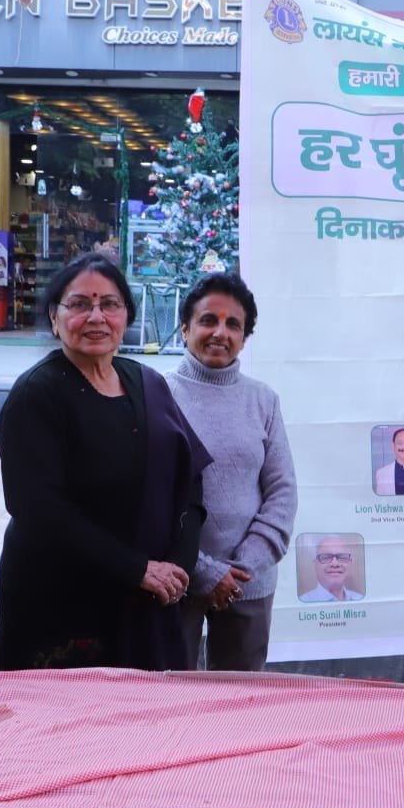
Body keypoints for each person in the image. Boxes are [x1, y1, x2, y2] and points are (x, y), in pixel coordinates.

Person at [0, 253, 211, 671]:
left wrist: (177, 568)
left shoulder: (147, 382)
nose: (96, 316)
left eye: (109, 304)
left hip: (150, 597)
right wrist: (136, 569)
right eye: (79, 304)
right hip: (65, 605)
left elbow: (191, 479)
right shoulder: (36, 396)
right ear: (55, 319)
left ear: (126, 315)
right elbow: (38, 511)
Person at [169, 272, 298, 672]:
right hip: (177, 581)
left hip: (248, 584)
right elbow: (149, 498)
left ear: (245, 336)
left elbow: (282, 491)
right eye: (208, 320)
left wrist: (242, 569)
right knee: (170, 702)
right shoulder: (157, 394)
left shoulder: (263, 400)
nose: (220, 333)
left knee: (240, 708)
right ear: (186, 327)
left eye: (233, 324)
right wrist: (204, 570)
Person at [300, 535, 364, 602]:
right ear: (315, 565)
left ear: (349, 563)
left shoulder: (361, 600)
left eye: (342, 557)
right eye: (326, 557)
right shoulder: (303, 601)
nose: (335, 564)